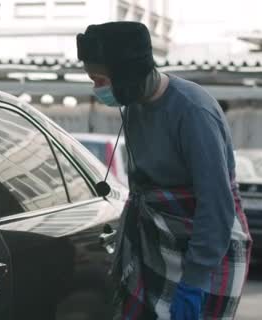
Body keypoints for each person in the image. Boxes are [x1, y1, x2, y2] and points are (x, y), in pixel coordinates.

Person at [76, 22, 252, 319]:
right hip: (157, 242)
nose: (97, 89)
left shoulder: (193, 111)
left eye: (100, 79)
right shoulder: (133, 106)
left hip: (209, 247)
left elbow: (216, 204)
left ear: (127, 75)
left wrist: (195, 279)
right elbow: (142, 186)